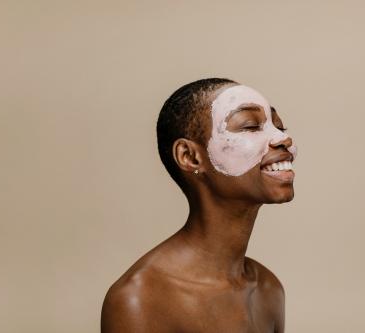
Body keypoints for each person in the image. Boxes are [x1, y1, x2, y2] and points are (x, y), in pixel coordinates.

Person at [101, 78, 297, 333]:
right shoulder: (141, 299)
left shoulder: (268, 289)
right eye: (250, 126)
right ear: (190, 157)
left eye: (279, 126)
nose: (283, 138)